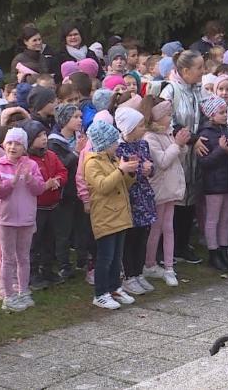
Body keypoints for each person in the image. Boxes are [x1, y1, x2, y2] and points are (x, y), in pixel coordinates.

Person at [145, 50, 209, 264]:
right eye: (199, 68)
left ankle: (182, 244)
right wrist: (191, 140)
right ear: (185, 70)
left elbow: (204, 114)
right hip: (175, 148)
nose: (202, 72)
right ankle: (165, 249)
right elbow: (167, 121)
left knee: (190, 195)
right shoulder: (170, 90)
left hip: (193, 151)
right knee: (174, 197)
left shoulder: (196, 90)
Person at [84, 120, 138, 309]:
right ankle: (100, 293)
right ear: (104, 143)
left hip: (120, 216)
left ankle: (115, 287)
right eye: (113, 142)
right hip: (105, 216)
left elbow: (123, 185)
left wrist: (130, 173)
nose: (117, 145)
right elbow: (103, 186)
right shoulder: (92, 164)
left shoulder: (113, 159)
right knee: (105, 257)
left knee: (117, 256)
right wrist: (120, 170)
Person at [0, 127, 45, 312]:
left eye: (18, 144)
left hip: (27, 219)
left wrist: (29, 179)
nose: (13, 147)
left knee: (23, 257)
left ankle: (23, 291)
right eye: (10, 143)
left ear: (24, 147)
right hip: (6, 219)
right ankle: (8, 295)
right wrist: (11, 182)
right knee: (8, 258)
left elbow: (39, 189)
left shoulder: (32, 165)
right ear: (4, 144)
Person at [20, 120, 68, 291]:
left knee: (50, 240)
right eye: (39, 136)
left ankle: (47, 269)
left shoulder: (51, 156)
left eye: (44, 135)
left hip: (53, 205)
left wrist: (58, 180)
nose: (44, 139)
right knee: (34, 242)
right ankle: (32, 274)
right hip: (36, 208)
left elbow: (62, 171)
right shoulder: (26, 161)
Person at [144, 100, 188, 284]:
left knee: (168, 227)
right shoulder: (150, 137)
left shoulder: (168, 133)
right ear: (158, 117)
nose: (171, 118)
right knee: (156, 228)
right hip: (160, 188)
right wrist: (176, 145)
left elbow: (179, 156)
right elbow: (162, 161)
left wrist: (181, 145)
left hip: (171, 187)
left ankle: (169, 266)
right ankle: (149, 263)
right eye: (168, 115)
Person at [114, 105, 156, 295]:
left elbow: (150, 166)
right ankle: (129, 275)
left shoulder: (143, 144)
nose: (144, 128)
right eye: (139, 126)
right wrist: (141, 170)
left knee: (142, 236)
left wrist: (150, 169)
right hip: (130, 197)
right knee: (130, 238)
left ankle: (138, 272)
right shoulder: (119, 148)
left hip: (144, 195)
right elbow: (123, 171)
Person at [195, 97, 228, 272]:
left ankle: (223, 249)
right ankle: (213, 253)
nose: (224, 115)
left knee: (225, 218)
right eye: (221, 113)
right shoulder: (205, 134)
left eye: (225, 112)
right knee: (213, 219)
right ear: (211, 115)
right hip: (213, 183)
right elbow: (204, 162)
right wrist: (221, 150)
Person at [47, 104, 88, 278]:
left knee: (82, 227)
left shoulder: (81, 137)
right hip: (64, 193)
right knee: (63, 230)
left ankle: (83, 260)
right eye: (75, 117)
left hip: (80, 190)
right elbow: (60, 164)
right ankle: (64, 264)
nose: (80, 120)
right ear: (64, 120)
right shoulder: (54, 142)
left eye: (80, 117)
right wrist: (76, 152)